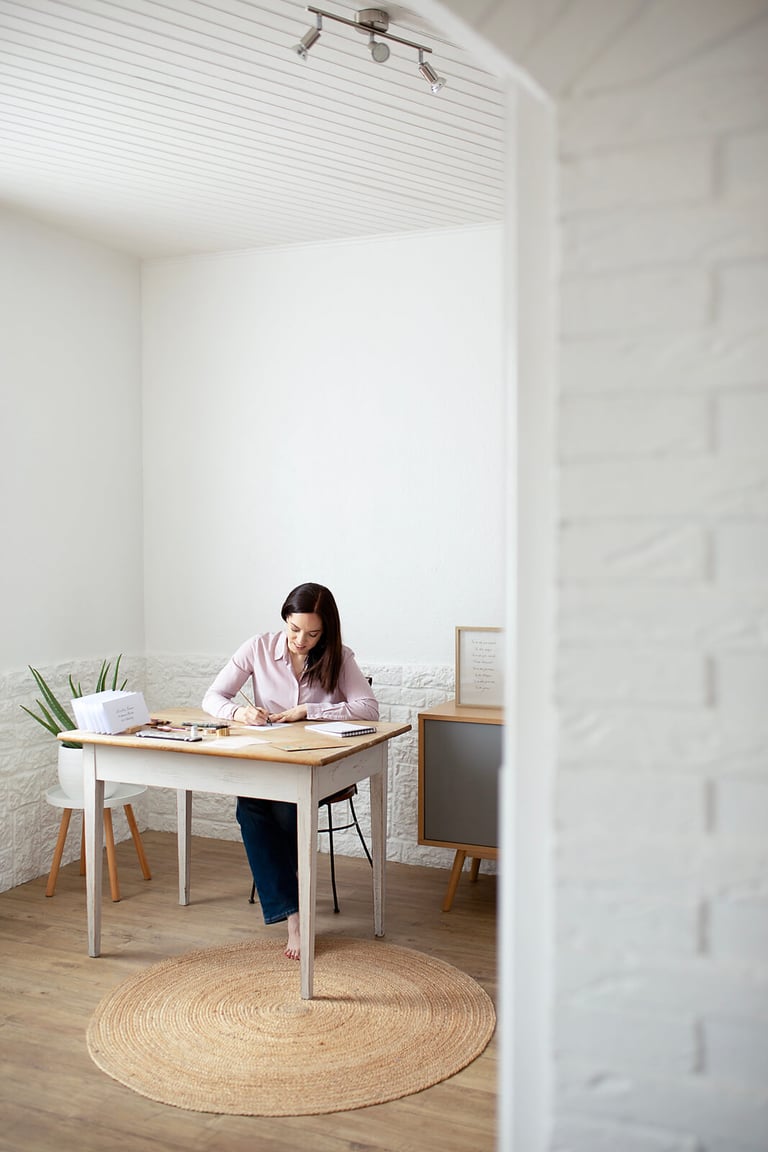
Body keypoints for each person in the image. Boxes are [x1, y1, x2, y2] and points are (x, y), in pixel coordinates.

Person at [202, 582, 378, 960]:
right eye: (295, 629)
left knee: (285, 807)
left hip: (321, 768)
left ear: (326, 631)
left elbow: (368, 707)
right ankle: (296, 915)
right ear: (285, 619)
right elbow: (212, 697)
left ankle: (292, 909)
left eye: (313, 633)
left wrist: (310, 710)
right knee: (249, 806)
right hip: (269, 762)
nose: (301, 640)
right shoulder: (257, 648)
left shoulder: (339, 657)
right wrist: (240, 712)